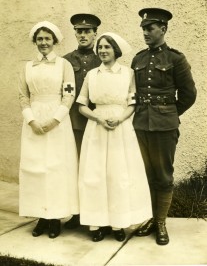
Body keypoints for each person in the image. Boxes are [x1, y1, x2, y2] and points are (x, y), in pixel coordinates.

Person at [76, 32, 152, 242]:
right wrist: (98, 119)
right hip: (97, 130)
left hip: (120, 129)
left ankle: (118, 224)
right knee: (97, 175)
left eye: (107, 47)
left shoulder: (127, 74)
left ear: (116, 51)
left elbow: (132, 104)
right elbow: (81, 105)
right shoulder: (92, 75)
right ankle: (99, 224)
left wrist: (119, 119)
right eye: (100, 47)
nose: (102, 51)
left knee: (118, 175)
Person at [131, 8, 197, 245]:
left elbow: (189, 94)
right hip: (140, 124)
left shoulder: (176, 59)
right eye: (143, 29)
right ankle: (150, 218)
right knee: (146, 174)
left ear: (163, 29)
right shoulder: (138, 59)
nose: (145, 33)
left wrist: (169, 113)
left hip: (164, 127)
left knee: (163, 175)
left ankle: (161, 222)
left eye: (150, 28)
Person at [18, 21, 79, 238]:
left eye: (47, 38)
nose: (44, 43)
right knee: (36, 169)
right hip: (34, 122)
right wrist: (31, 120)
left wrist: (55, 119)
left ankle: (55, 218)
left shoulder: (64, 65)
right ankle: (41, 217)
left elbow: (69, 95)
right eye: (40, 39)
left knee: (55, 168)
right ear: (35, 41)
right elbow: (23, 96)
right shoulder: (27, 67)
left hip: (57, 123)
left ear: (54, 41)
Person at [63, 13, 101, 229]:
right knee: (76, 167)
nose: (83, 35)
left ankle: (94, 213)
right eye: (79, 31)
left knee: (94, 169)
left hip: (96, 124)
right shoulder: (67, 61)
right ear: (75, 33)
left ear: (95, 34)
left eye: (87, 31)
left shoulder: (102, 58)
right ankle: (77, 214)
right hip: (75, 124)